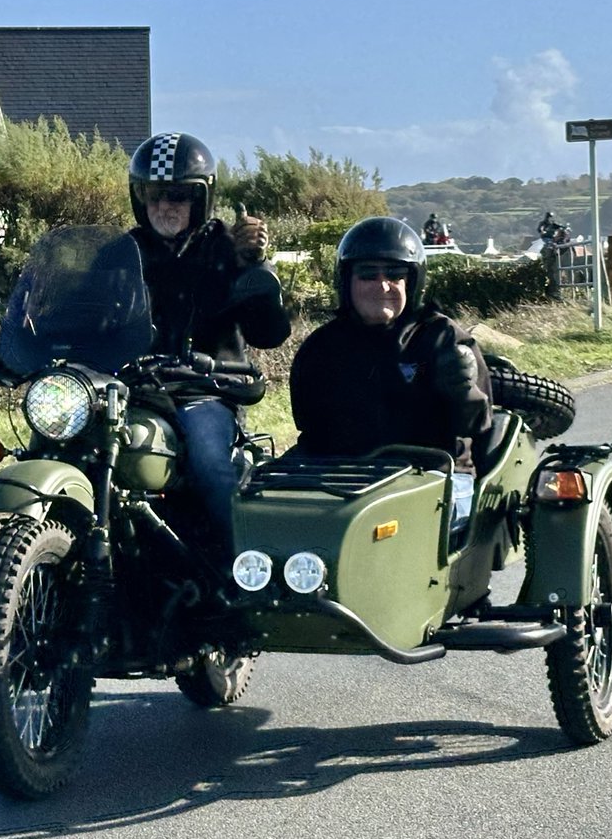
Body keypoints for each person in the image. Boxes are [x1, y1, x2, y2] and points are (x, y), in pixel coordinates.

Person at [127, 131, 291, 561]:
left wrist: (253, 267)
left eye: (179, 195)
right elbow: (86, 310)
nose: (165, 206)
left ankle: (241, 567)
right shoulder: (124, 252)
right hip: (131, 390)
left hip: (204, 390)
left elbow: (269, 334)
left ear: (200, 199)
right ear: (139, 197)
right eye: (155, 194)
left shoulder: (226, 247)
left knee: (208, 459)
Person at [289, 217, 493, 532]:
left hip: (434, 478)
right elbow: (310, 428)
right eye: (368, 275)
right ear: (347, 282)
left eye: (395, 275)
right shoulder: (322, 347)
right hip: (346, 481)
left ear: (412, 283)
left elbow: (477, 426)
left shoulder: (443, 337)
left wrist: (464, 394)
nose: (382, 285)